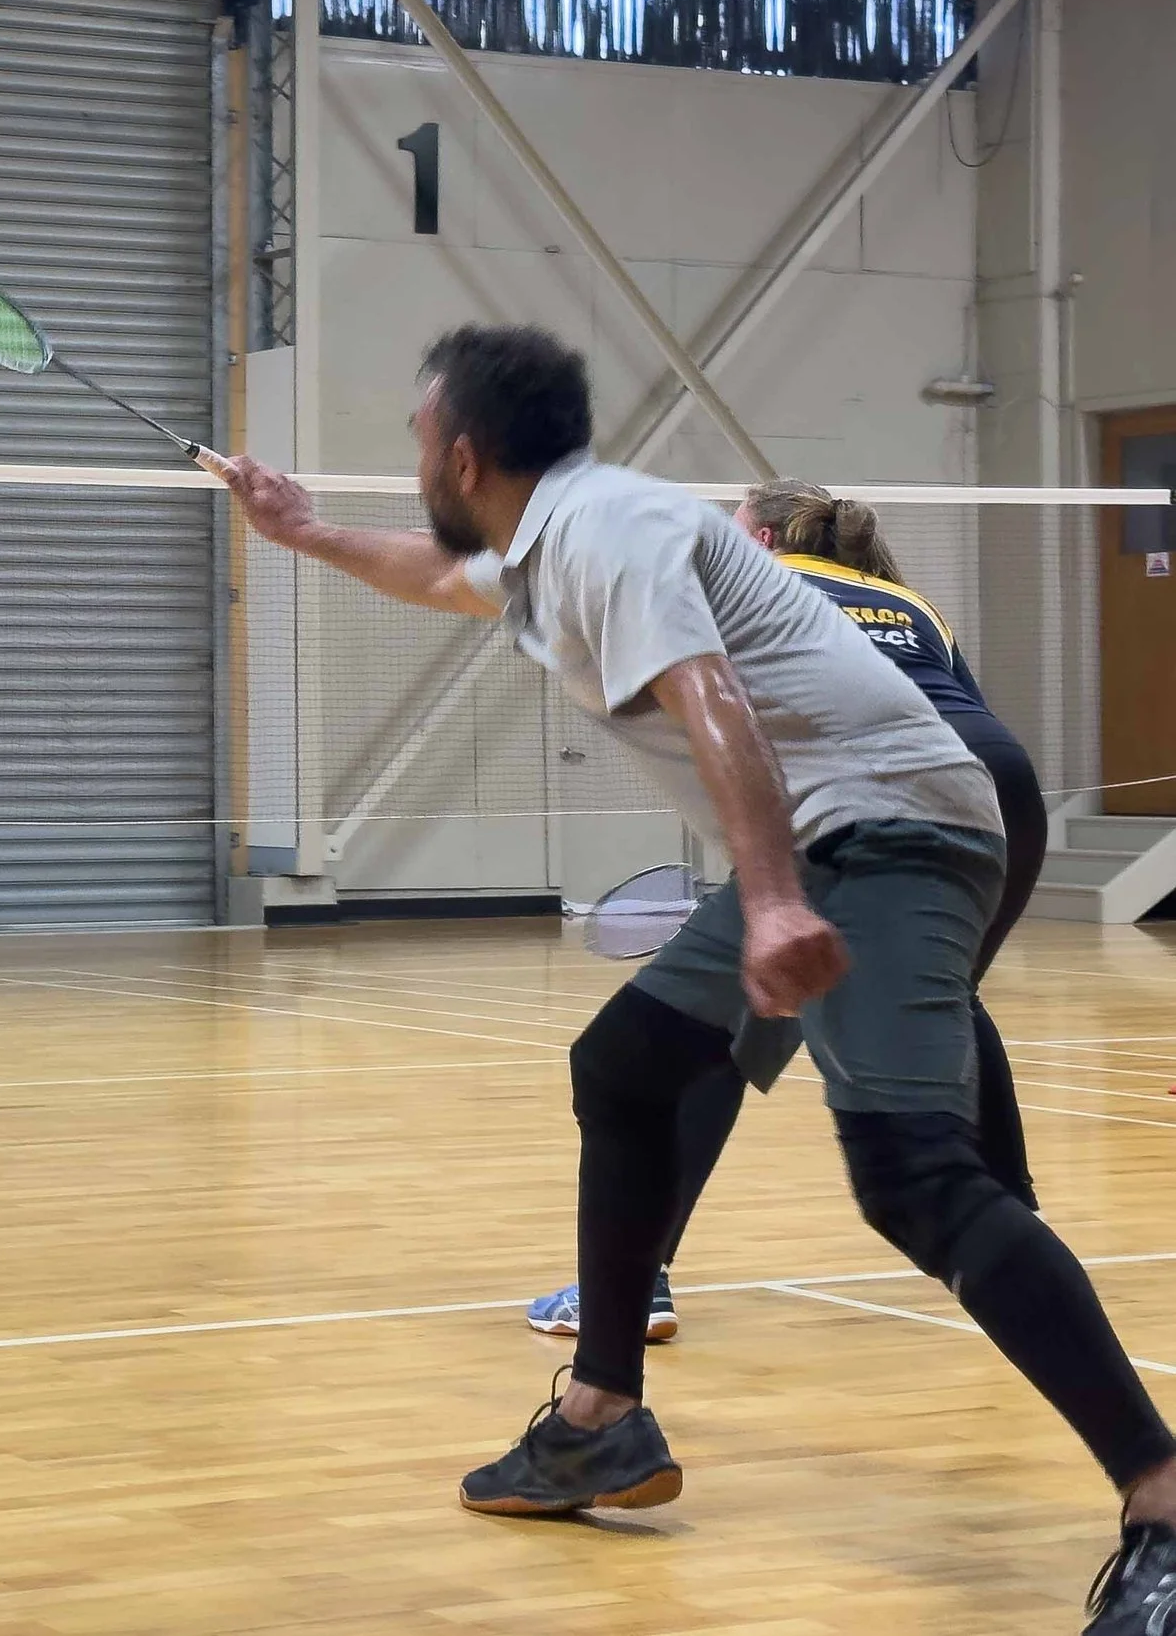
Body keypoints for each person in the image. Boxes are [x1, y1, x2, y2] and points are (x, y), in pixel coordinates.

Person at [224, 326, 1176, 1631]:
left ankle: (1164, 1493)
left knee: (913, 1180)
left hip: (894, 826)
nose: (415, 464)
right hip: (850, 820)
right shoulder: (552, 540)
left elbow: (708, 690)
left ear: (460, 452)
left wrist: (774, 896)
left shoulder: (607, 528)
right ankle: (599, 1415)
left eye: (416, 439)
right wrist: (310, 533)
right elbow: (445, 576)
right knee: (620, 1068)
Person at [525, 479, 1045, 1344]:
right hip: (997, 793)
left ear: (760, 540)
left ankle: (640, 1279)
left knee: (718, 1034)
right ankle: (1016, 1232)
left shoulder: (753, 589)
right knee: (949, 995)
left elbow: (718, 716)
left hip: (871, 803)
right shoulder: (906, 599)